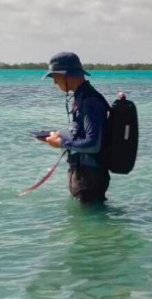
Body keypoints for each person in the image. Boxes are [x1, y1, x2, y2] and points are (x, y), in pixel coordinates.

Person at [42, 52, 110, 202]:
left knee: (91, 223)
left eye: (54, 77)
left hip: (89, 180)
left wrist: (61, 143)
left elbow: (93, 144)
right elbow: (80, 132)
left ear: (66, 75)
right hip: (84, 177)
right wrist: (60, 134)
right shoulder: (82, 97)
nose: (54, 83)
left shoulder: (89, 101)